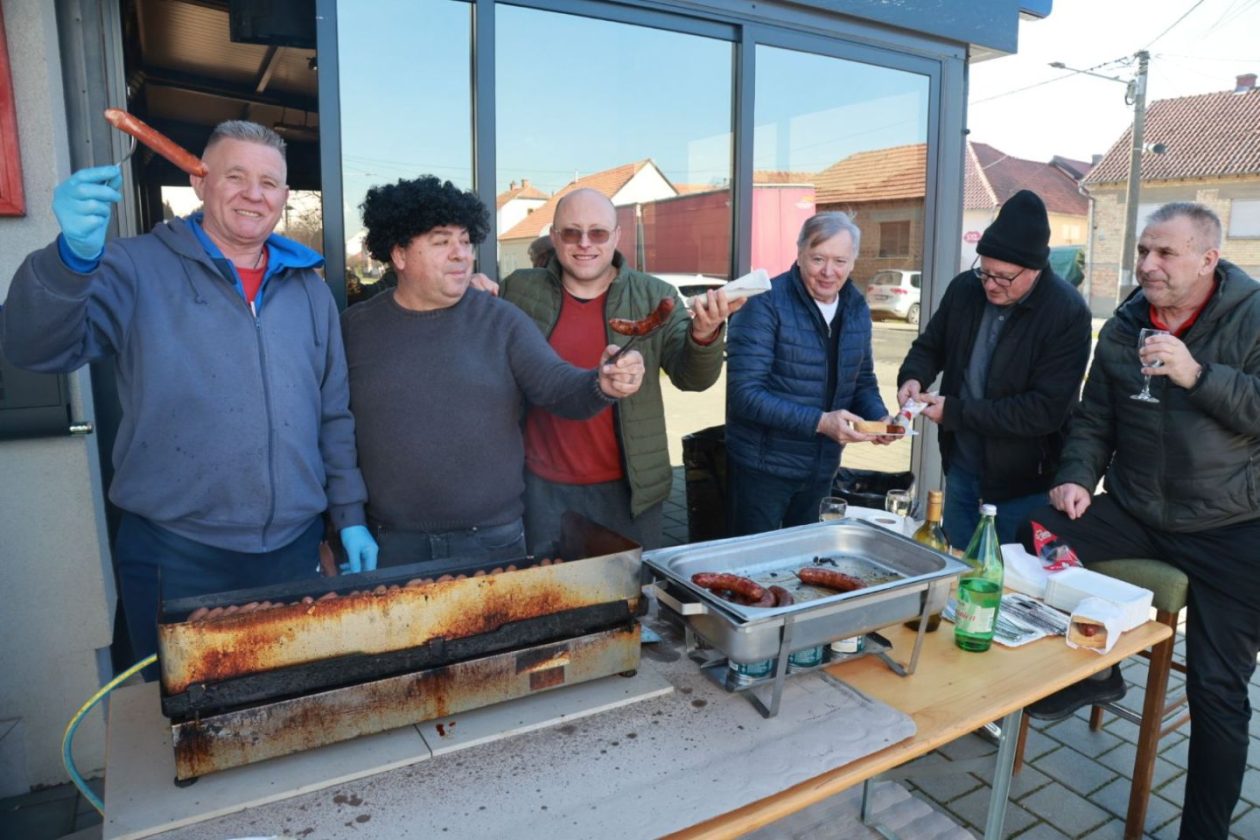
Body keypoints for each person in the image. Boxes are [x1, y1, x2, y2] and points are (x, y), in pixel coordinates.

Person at [0, 120, 376, 668]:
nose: (254, 194)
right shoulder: (132, 267)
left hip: (293, 550)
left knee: (294, 694)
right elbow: (34, 349)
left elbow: (332, 416)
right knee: (187, 722)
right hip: (177, 554)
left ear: (285, 197)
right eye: (235, 176)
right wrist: (68, 261)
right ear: (200, 183)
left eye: (269, 183)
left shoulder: (309, 288)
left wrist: (350, 514)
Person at [1019, 203, 1260, 839]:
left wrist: (1198, 375)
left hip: (1231, 523)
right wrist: (1075, 474)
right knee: (1033, 532)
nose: (1147, 265)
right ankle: (1100, 667)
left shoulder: (1254, 315)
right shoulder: (1125, 322)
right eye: (1143, 251)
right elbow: (1095, 417)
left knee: (1217, 692)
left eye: (1165, 254)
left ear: (1208, 259)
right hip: (1135, 507)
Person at [343, 177, 644, 569]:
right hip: (390, 542)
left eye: (466, 241)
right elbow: (333, 432)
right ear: (399, 254)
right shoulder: (356, 328)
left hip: (491, 540)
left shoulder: (500, 320)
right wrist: (345, 521)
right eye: (441, 241)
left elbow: (556, 386)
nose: (461, 255)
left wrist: (600, 382)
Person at [497, 188, 736, 552]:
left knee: (630, 601)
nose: (584, 244)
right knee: (547, 600)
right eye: (571, 232)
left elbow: (693, 379)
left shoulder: (655, 294)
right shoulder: (518, 289)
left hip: (629, 494)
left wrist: (704, 336)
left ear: (617, 237)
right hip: (540, 488)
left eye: (598, 233)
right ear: (555, 237)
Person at [896, 189, 1092, 547]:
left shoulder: (1067, 312)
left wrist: (956, 411)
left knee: (1005, 580)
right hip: (961, 467)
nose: (990, 285)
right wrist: (913, 376)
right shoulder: (964, 290)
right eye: (984, 272)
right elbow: (931, 346)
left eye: (1003, 277)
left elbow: (1044, 411)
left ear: (1034, 269)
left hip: (1023, 482)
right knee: (956, 570)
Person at [725, 211, 892, 536]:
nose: (829, 272)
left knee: (803, 569)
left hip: (822, 469)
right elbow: (744, 395)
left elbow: (863, 379)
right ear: (799, 254)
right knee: (751, 572)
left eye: (840, 261)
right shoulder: (764, 303)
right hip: (763, 471)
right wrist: (821, 422)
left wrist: (879, 418)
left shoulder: (856, 307)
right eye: (818, 258)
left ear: (854, 261)